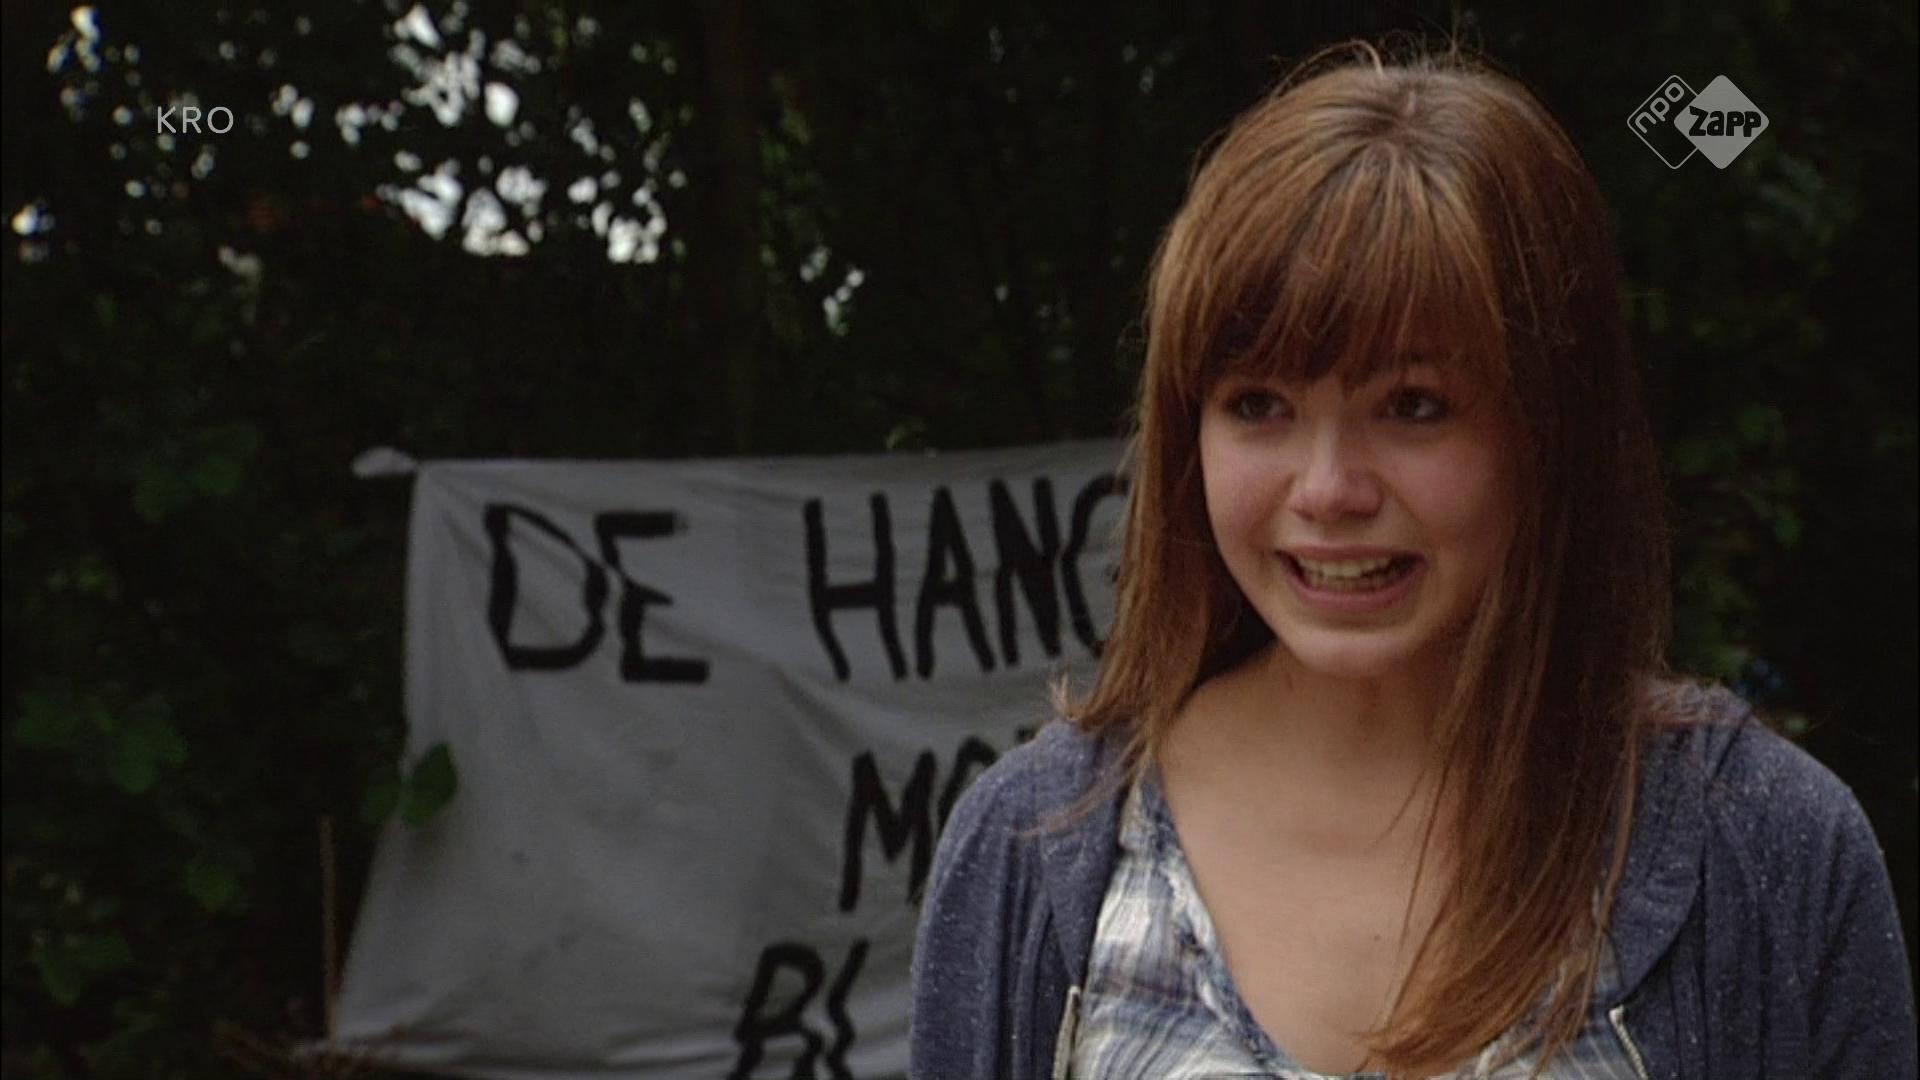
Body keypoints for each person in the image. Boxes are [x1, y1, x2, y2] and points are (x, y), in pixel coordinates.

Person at [908, 38, 1917, 1080]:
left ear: (1551, 431)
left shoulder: (1765, 853)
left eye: (1415, 406)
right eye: (1259, 406)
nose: (1328, 489)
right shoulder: (1033, 850)